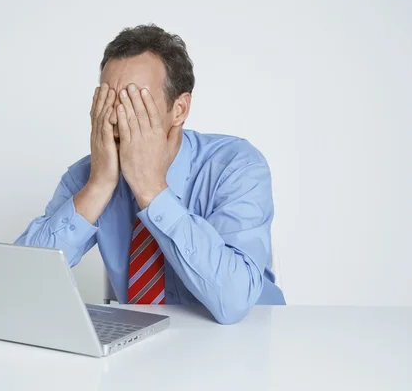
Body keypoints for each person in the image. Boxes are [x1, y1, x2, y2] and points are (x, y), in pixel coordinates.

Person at [15, 23, 285, 324]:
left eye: (135, 102)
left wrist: (152, 191)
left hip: (250, 343)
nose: (118, 117)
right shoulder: (88, 176)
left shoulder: (237, 167)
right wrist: (99, 185)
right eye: (108, 102)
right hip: (145, 348)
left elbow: (235, 301)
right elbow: (18, 284)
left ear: (179, 109)